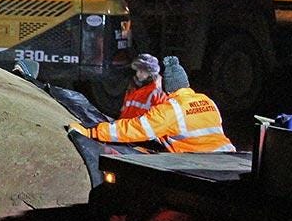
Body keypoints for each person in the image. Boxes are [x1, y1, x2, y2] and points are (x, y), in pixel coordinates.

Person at [70, 56, 235, 153]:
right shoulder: (207, 101)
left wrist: (92, 132)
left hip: (201, 165)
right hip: (226, 155)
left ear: (167, 88)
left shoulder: (171, 110)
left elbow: (136, 129)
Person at [119, 53, 168, 119]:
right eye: (138, 70)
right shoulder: (132, 87)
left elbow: (161, 117)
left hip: (140, 128)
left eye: (143, 71)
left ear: (151, 74)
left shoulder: (156, 92)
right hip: (126, 125)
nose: (139, 73)